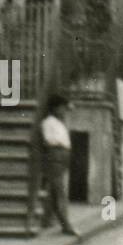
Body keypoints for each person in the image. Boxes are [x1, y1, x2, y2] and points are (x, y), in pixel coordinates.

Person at [39, 95, 79, 237]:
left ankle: (47, 220)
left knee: (55, 191)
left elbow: (71, 109)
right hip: (55, 155)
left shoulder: (59, 122)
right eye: (61, 108)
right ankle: (66, 225)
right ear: (54, 108)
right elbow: (49, 141)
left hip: (61, 156)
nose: (64, 111)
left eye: (64, 108)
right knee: (59, 191)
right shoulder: (48, 123)